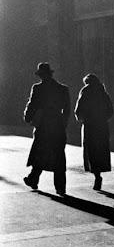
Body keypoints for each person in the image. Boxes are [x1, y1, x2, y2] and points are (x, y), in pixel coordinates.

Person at [23, 62, 70, 195]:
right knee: (59, 156)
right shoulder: (62, 89)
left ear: (41, 75)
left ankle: (33, 179)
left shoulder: (38, 88)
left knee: (40, 152)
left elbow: (32, 105)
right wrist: (64, 123)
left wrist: (28, 117)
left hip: (43, 125)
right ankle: (60, 187)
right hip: (57, 125)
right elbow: (67, 109)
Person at [74, 73, 114, 190]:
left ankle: (97, 175)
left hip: (90, 125)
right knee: (101, 149)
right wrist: (103, 118)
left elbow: (78, 109)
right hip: (102, 126)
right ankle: (99, 173)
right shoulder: (103, 92)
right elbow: (110, 110)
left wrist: (82, 118)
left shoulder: (85, 91)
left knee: (91, 151)